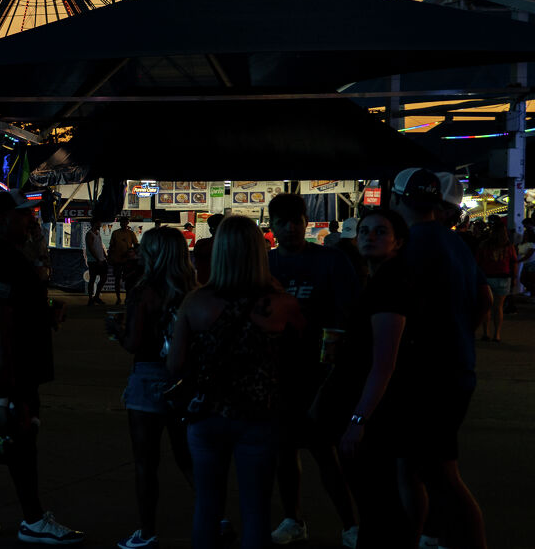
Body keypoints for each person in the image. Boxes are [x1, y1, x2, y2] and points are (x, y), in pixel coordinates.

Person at [0, 190, 82, 545]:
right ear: (5, 219)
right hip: (1, 371)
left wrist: (43, 309)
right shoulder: (2, 257)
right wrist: (6, 373)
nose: (31, 222)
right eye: (25, 216)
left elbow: (3, 305)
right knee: (20, 438)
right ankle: (34, 519)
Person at [169, 215, 301, 549]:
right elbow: (303, 359)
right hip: (260, 413)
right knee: (256, 511)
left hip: (207, 412)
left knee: (207, 508)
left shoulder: (196, 303)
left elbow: (175, 365)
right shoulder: (282, 305)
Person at [385, 170, 490, 549]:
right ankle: (423, 536)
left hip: (426, 375)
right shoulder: (455, 243)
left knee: (439, 474)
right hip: (454, 366)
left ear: (397, 200)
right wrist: (459, 333)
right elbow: (485, 299)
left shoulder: (408, 246)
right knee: (414, 466)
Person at [265, 193, 361, 547]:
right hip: (277, 374)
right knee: (283, 451)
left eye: (296, 221)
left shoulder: (331, 261)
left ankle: (351, 524)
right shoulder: (265, 264)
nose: (290, 228)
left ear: (307, 223)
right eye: (283, 222)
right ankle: (293, 518)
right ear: (272, 226)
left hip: (324, 373)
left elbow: (350, 313)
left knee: (326, 452)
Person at [322, 207, 415, 549]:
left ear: (399, 241)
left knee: (377, 501)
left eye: (380, 232)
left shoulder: (389, 286)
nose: (369, 237)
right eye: (364, 231)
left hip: (378, 410)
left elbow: (384, 361)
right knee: (379, 500)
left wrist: (359, 419)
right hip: (378, 404)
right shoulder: (379, 280)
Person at [111, 225, 195, 549]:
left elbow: (133, 342)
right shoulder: (192, 290)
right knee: (187, 456)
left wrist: (117, 330)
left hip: (148, 376)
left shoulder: (143, 291)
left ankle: (146, 532)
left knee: (146, 463)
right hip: (183, 378)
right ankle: (215, 516)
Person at [475, 218, 518, 343]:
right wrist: (514, 278)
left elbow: (477, 262)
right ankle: (497, 334)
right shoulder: (508, 246)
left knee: (486, 306)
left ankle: (485, 332)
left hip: (487, 277)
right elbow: (514, 262)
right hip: (503, 277)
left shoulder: (484, 245)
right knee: (498, 307)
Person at [82, 221, 111, 307]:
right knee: (92, 279)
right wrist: (97, 259)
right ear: (94, 224)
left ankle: (97, 296)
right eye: (98, 224)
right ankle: (91, 298)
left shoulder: (98, 233)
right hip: (94, 261)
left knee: (104, 278)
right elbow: (90, 248)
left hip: (101, 259)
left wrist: (105, 256)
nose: (100, 225)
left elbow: (100, 246)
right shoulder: (89, 234)